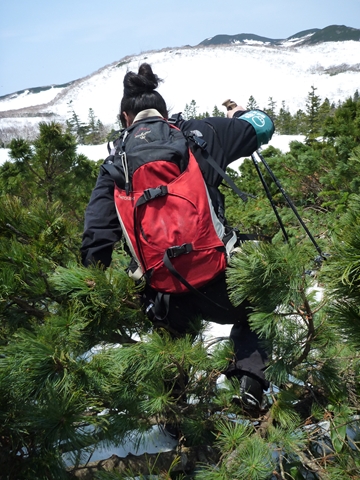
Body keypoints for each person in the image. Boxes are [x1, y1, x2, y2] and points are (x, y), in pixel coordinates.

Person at [81, 63, 275, 410]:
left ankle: (173, 411)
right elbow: (263, 127)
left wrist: (96, 292)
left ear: (125, 117)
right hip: (218, 281)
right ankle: (250, 381)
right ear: (166, 112)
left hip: (164, 293)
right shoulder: (198, 134)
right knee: (260, 296)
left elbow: (96, 236)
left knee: (169, 342)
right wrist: (238, 114)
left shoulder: (116, 162)